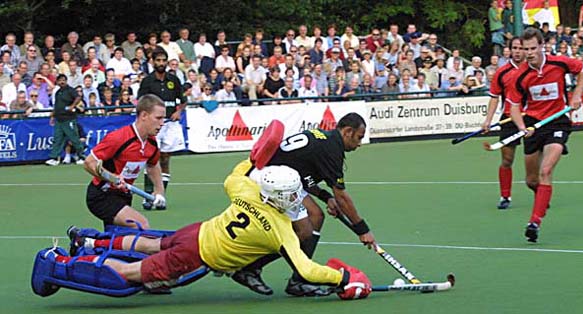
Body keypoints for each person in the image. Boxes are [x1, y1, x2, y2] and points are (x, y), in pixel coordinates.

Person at [37, 162, 371, 300]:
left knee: (153, 244)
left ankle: (90, 241)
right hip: (197, 254)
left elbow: (235, 174)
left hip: (195, 232)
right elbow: (306, 268)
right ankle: (57, 266)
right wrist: (341, 279)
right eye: (295, 192)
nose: (299, 197)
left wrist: (256, 159)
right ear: (284, 196)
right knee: (131, 272)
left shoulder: (247, 191)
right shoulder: (281, 231)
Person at [231, 113, 375, 296]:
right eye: (359, 138)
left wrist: (325, 196)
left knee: (314, 217)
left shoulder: (325, 138)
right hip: (270, 178)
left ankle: (289, 277)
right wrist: (362, 229)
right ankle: (288, 278)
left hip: (280, 177)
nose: (360, 144)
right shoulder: (332, 149)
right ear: (347, 131)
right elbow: (342, 197)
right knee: (305, 229)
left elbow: (304, 176)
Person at [505, 28, 583, 242]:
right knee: (531, 181)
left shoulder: (559, 63)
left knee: (546, 170)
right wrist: (522, 127)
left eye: (533, 48)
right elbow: (514, 107)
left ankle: (534, 222)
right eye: (525, 49)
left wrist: (577, 94)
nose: (529, 53)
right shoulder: (519, 75)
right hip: (533, 124)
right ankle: (542, 196)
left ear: (542, 46)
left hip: (557, 122)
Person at [79, 94, 166, 228]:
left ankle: (87, 243)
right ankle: (86, 241)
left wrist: (159, 191)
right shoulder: (118, 138)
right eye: (158, 118)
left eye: (163, 118)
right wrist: (111, 178)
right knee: (140, 224)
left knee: (118, 238)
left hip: (124, 196)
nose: (162, 123)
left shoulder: (152, 144)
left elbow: (153, 166)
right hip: (102, 194)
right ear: (144, 115)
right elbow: (89, 163)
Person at [137, 47, 186, 210]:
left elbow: (183, 99)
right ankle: (148, 196)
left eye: (163, 60)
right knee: (151, 159)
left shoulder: (174, 79)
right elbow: (141, 103)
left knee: (165, 159)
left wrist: (179, 111)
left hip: (171, 124)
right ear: (153, 62)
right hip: (153, 125)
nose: (161, 63)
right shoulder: (147, 81)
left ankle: (160, 196)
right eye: (158, 60)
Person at [481, 37, 524, 210]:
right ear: (510, 50)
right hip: (509, 118)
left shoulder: (534, 69)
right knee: (507, 160)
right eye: (515, 48)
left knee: (535, 159)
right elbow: (494, 97)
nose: (518, 51)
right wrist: (488, 120)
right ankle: (505, 196)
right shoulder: (503, 72)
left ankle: (540, 192)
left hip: (532, 117)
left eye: (521, 47)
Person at [45, 74, 85, 166]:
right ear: (57, 82)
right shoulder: (58, 92)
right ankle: (54, 158)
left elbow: (78, 97)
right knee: (57, 139)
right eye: (60, 80)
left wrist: (72, 106)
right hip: (59, 119)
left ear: (66, 81)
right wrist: (52, 116)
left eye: (63, 80)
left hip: (69, 119)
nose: (62, 82)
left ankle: (81, 156)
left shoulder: (70, 90)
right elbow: (57, 105)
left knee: (74, 138)